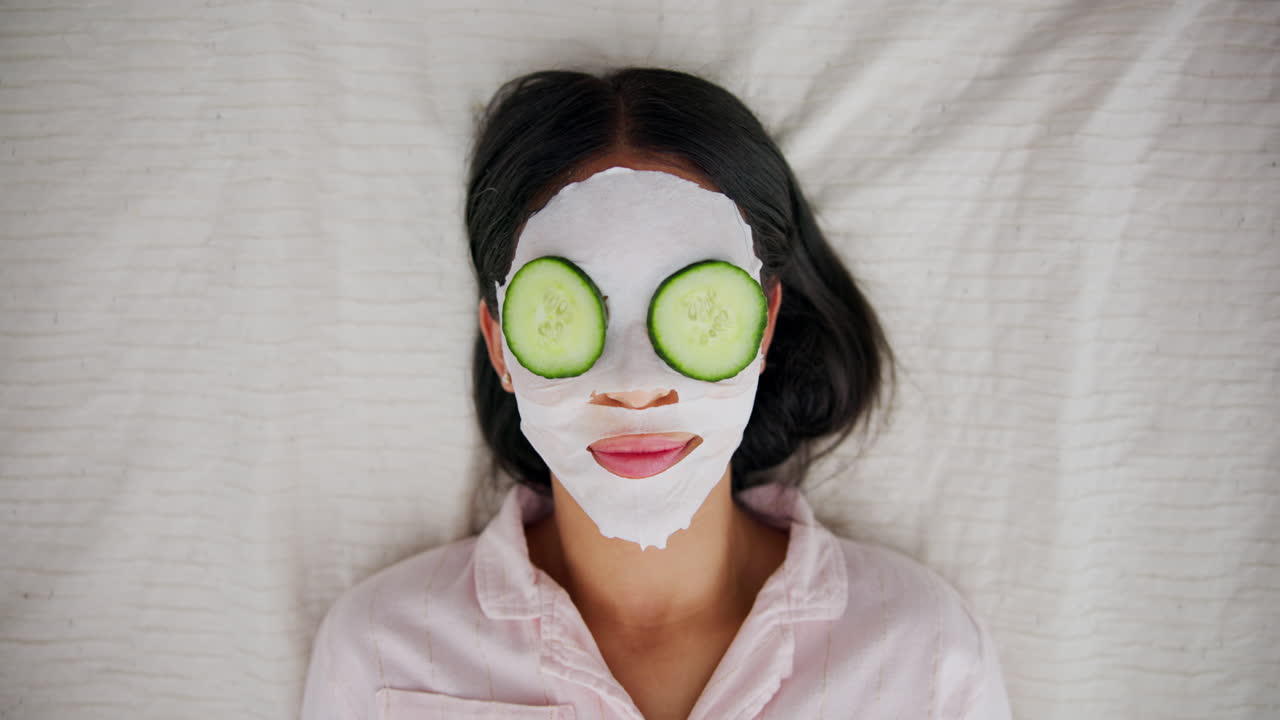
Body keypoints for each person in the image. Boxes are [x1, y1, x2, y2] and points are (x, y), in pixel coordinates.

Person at [300, 67, 1013, 720]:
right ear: (500, 345)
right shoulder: (381, 655)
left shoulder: (926, 654)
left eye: (700, 313)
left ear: (763, 327)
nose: (636, 390)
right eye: (563, 317)